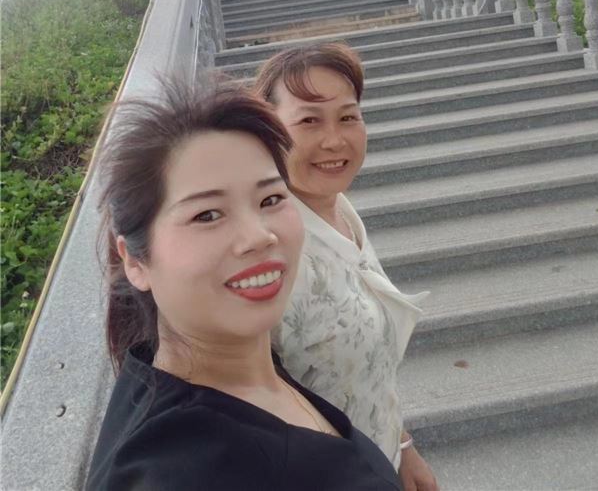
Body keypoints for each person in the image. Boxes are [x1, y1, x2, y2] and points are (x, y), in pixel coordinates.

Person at [87, 80, 401, 490]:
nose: (259, 236)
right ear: (135, 261)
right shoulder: (176, 472)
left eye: (270, 199)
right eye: (207, 215)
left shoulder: (249, 365)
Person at [255, 43, 440, 491]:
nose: (334, 140)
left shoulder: (338, 209)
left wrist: (402, 445)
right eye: (309, 121)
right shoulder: (267, 254)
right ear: (269, 131)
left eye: (348, 117)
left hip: (379, 463)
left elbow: (361, 376)